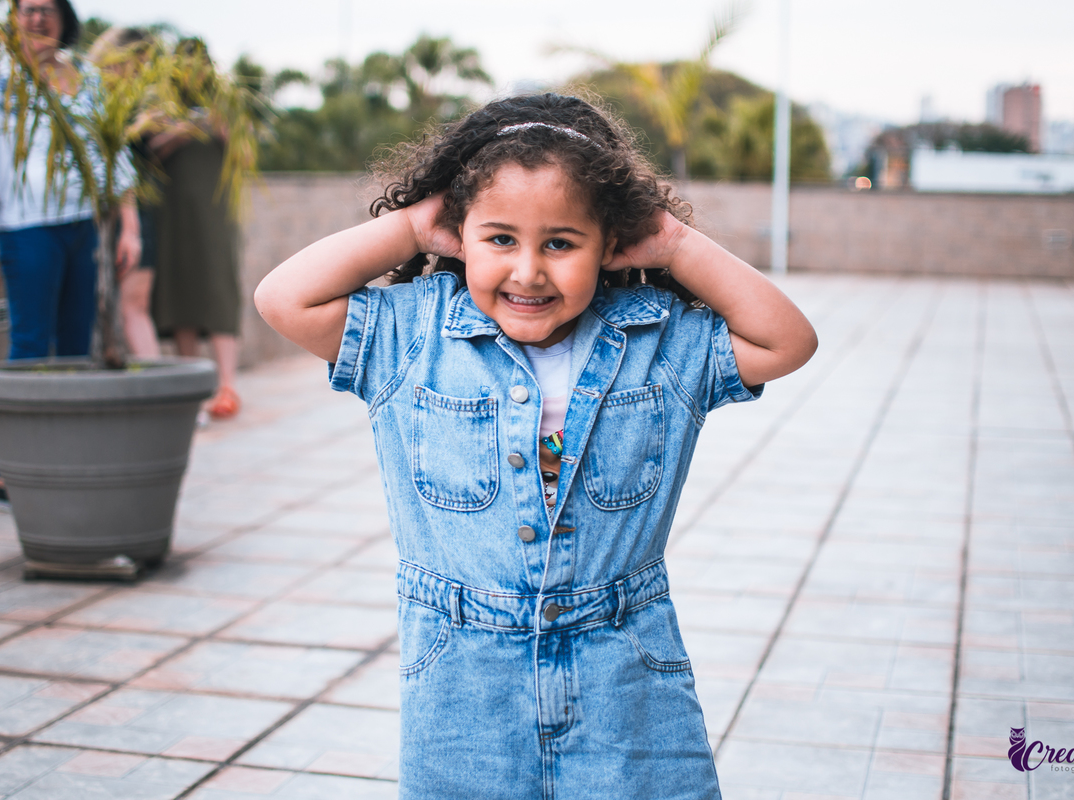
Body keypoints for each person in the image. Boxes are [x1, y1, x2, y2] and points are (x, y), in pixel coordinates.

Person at [254, 93, 817, 799]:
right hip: (465, 690)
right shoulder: (411, 338)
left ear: (609, 243)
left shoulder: (659, 342)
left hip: (624, 679)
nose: (527, 271)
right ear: (457, 234)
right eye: (499, 239)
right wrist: (410, 225)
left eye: (559, 242)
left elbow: (789, 341)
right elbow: (283, 299)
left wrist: (675, 244)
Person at [0, 0, 139, 510]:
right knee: (30, 347)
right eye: (27, 9)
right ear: (14, 17)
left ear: (65, 17)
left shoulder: (86, 77)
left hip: (83, 228)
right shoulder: (3, 81)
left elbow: (116, 155)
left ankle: (62, 462)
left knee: (71, 349)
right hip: (26, 230)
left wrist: (129, 229)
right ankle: (9, 472)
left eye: (47, 9)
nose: (37, 18)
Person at [149, 38, 242, 420]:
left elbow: (246, 155)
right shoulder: (160, 105)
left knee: (219, 292)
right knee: (180, 293)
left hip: (215, 214)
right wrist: (183, 129)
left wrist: (222, 128)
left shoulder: (227, 106)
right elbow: (147, 150)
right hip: (172, 213)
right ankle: (191, 386)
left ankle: (227, 387)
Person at [87, 26, 160, 359]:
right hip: (98, 210)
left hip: (139, 210)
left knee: (134, 305)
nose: (141, 71)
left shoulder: (141, 99)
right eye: (137, 62)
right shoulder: (90, 95)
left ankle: (165, 397)